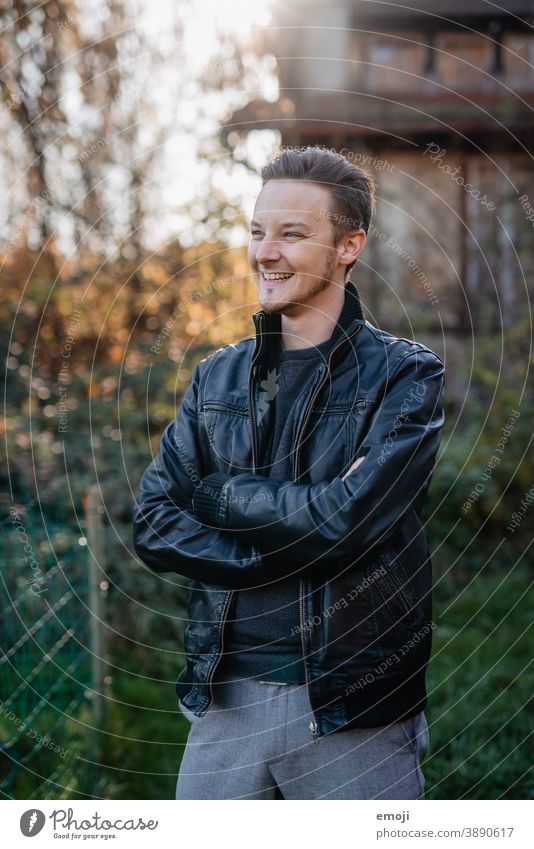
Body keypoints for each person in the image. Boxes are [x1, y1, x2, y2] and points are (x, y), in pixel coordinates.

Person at [132, 146, 445, 800]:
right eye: (257, 231)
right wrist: (279, 547)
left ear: (348, 245)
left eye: (292, 234)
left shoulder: (406, 375)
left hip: (348, 708)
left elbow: (349, 519)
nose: (264, 252)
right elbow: (156, 521)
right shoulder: (216, 376)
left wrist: (218, 494)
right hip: (225, 704)